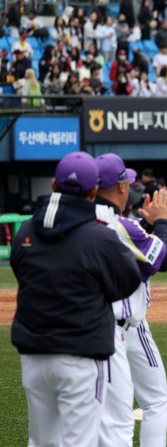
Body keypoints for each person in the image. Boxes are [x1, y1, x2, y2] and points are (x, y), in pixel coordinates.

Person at [11, 152, 141, 447]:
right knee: (79, 442)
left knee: (42, 442)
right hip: (80, 353)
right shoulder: (100, 236)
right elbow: (128, 281)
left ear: (54, 185)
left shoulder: (26, 231)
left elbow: (22, 272)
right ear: (94, 191)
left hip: (34, 353)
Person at [93, 154, 167, 447]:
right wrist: (162, 222)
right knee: (146, 406)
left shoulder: (82, 221)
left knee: (90, 414)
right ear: (122, 187)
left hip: (81, 326)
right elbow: (165, 259)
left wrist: (145, 222)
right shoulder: (120, 225)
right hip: (123, 327)